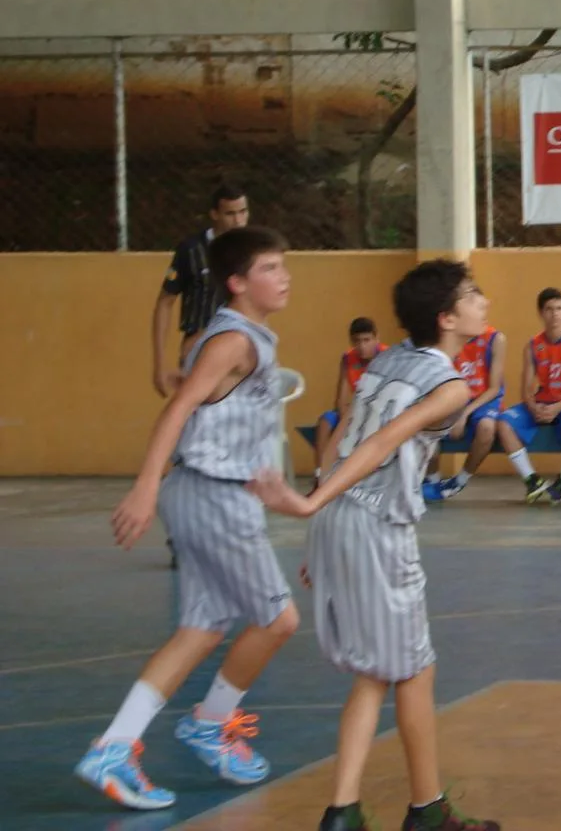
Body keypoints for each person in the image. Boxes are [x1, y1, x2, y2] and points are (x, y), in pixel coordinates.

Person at [250, 259, 499, 831]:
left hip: (341, 516)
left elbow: (341, 434)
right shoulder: (451, 385)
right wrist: (310, 506)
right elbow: (383, 441)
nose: (482, 301)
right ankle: (427, 811)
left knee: (375, 671)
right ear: (447, 316)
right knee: (414, 668)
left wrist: (321, 518)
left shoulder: (387, 358)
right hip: (375, 522)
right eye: (472, 295)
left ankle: (343, 812)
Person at [75, 226, 297, 812]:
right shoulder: (234, 342)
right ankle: (209, 723)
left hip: (207, 491)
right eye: (271, 268)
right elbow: (177, 409)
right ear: (237, 282)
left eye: (283, 266)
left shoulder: (237, 335)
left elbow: (195, 393)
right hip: (213, 496)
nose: (284, 276)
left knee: (201, 627)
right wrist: (145, 487)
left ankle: (114, 748)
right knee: (277, 620)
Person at [150, 183, 250, 397]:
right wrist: (159, 364)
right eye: (230, 214)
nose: (238, 221)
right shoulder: (191, 250)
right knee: (199, 416)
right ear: (214, 214)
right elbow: (165, 302)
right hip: (199, 347)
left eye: (243, 212)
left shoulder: (251, 251)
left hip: (240, 347)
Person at [498, 287, 561, 504]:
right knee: (503, 423)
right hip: (542, 403)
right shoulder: (533, 346)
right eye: (549, 309)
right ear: (541, 313)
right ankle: (532, 481)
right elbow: (526, 388)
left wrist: (558, 407)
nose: (555, 314)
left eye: (559, 308)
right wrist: (533, 407)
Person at [421, 324, 507, 502]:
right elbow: (440, 381)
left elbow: (494, 388)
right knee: (427, 424)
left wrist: (463, 414)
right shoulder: (447, 337)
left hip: (484, 399)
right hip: (455, 397)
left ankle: (459, 481)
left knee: (486, 428)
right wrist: (453, 411)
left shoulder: (495, 339)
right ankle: (434, 482)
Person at [311, 318, 387, 492]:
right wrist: (349, 418)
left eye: (367, 340)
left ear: (376, 338)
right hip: (354, 412)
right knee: (325, 421)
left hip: (378, 413)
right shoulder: (348, 359)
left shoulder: (387, 357)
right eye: (357, 341)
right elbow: (341, 398)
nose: (362, 346)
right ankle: (320, 476)